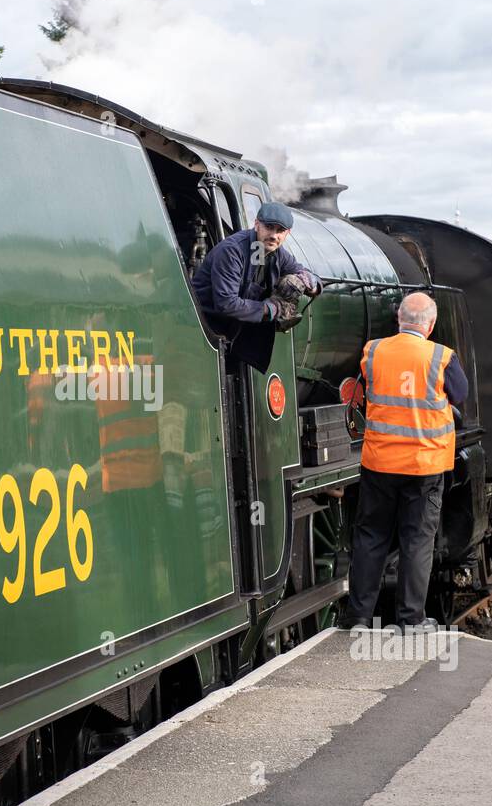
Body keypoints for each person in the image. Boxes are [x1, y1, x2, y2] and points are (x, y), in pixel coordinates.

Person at [340, 291, 469, 632]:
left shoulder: (373, 351)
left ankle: (357, 618)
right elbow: (460, 395)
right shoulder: (441, 356)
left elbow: (365, 388)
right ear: (430, 325)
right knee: (416, 541)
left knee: (370, 537)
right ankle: (411, 619)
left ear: (399, 318)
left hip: (379, 464)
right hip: (424, 466)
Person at [192, 201, 320, 372]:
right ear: (257, 224)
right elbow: (227, 303)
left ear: (287, 233)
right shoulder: (233, 251)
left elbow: (308, 275)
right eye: (269, 227)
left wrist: (309, 283)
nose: (274, 235)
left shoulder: (270, 252)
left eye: (280, 231)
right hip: (202, 333)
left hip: (232, 335)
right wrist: (273, 308)